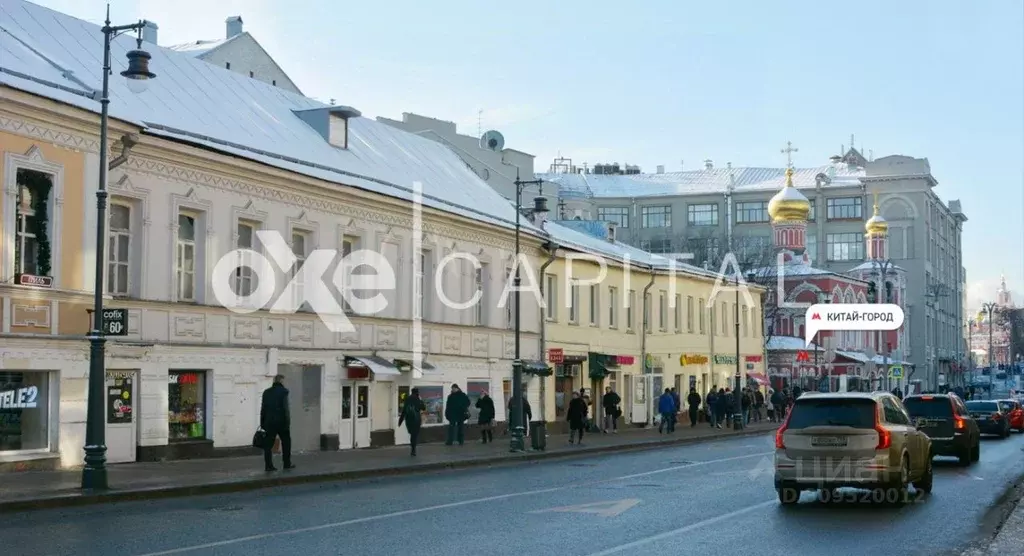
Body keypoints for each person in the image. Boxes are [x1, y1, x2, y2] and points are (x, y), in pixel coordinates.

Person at [260, 375, 293, 472]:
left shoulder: (266, 392)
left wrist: (262, 422)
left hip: (269, 422)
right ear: (281, 381)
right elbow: (285, 408)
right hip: (282, 422)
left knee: (268, 445)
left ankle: (268, 466)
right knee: (286, 443)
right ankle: (287, 464)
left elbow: (263, 409)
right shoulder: (284, 392)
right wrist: (288, 422)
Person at [398, 388, 426, 456]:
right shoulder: (418, 399)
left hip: (409, 420)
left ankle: (413, 448)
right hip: (416, 420)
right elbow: (423, 408)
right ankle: (413, 449)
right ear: (417, 392)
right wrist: (421, 400)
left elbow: (404, 410)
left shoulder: (408, 399)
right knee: (414, 435)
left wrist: (400, 421)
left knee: (412, 434)